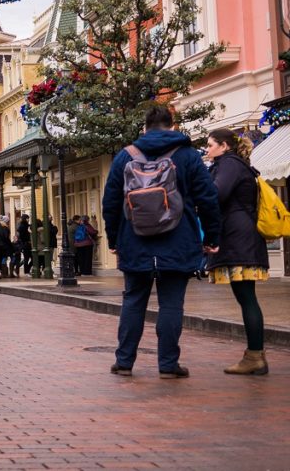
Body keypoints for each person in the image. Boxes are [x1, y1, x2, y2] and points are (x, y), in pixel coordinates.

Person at [102, 106, 220, 379]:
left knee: (133, 300)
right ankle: (167, 365)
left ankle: (124, 362)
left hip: (134, 239)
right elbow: (208, 199)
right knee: (171, 303)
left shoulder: (125, 156)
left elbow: (110, 202)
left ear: (144, 128)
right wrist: (212, 237)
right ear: (173, 125)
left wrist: (114, 238)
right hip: (178, 239)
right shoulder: (189, 156)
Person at [204, 128, 270, 376]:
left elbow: (216, 195)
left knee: (246, 297)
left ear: (224, 146)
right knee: (245, 297)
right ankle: (255, 355)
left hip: (239, 239)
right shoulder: (232, 164)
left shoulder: (229, 164)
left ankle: (255, 357)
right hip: (241, 237)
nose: (207, 150)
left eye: (210, 145)